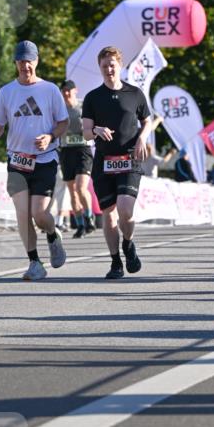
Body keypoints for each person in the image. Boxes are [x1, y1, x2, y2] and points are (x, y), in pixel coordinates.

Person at [0, 40, 68, 281]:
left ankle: (53, 234)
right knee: (22, 214)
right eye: (21, 61)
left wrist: (51, 135)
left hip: (44, 159)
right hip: (17, 161)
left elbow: (64, 123)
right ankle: (35, 263)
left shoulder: (50, 90)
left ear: (36, 61)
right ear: (15, 63)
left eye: (29, 61)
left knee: (39, 214)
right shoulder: (6, 92)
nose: (25, 66)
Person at [81, 45, 152, 279]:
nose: (109, 69)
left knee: (125, 209)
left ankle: (128, 243)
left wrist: (142, 138)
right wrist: (97, 130)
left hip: (129, 159)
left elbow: (147, 121)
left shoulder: (135, 93)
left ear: (120, 66)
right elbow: (86, 132)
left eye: (112, 65)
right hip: (103, 162)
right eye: (104, 66)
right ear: (99, 68)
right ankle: (115, 262)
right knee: (109, 213)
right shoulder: (93, 97)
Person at [58, 79, 96, 239]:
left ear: (75, 91)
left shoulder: (84, 106)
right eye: (64, 91)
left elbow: (95, 125)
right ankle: (80, 224)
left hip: (83, 149)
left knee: (81, 188)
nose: (66, 93)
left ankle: (89, 217)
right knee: (72, 192)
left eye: (69, 90)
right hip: (66, 151)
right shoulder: (59, 110)